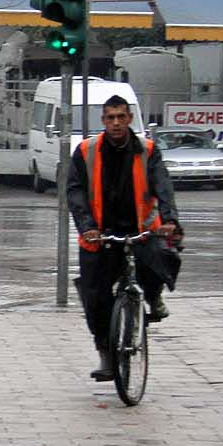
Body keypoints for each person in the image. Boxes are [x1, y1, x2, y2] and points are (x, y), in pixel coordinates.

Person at [65, 94, 182, 382]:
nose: (116, 123)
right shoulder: (85, 151)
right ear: (103, 121)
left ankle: (153, 298)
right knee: (95, 297)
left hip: (140, 229)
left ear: (129, 119)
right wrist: (86, 226)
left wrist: (169, 220)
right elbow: (75, 192)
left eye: (121, 117)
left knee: (158, 261)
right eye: (110, 118)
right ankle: (106, 353)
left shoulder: (148, 150)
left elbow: (163, 185)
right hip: (99, 234)